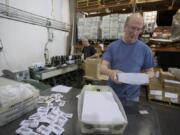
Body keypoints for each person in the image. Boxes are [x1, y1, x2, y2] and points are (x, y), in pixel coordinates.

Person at [100, 13, 155, 102]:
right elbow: (102, 68)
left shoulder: (145, 50)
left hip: (132, 96)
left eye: (138, 29)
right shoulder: (112, 46)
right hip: (112, 94)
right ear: (125, 27)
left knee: (131, 116)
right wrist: (111, 73)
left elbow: (151, 72)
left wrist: (143, 77)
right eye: (132, 28)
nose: (135, 32)